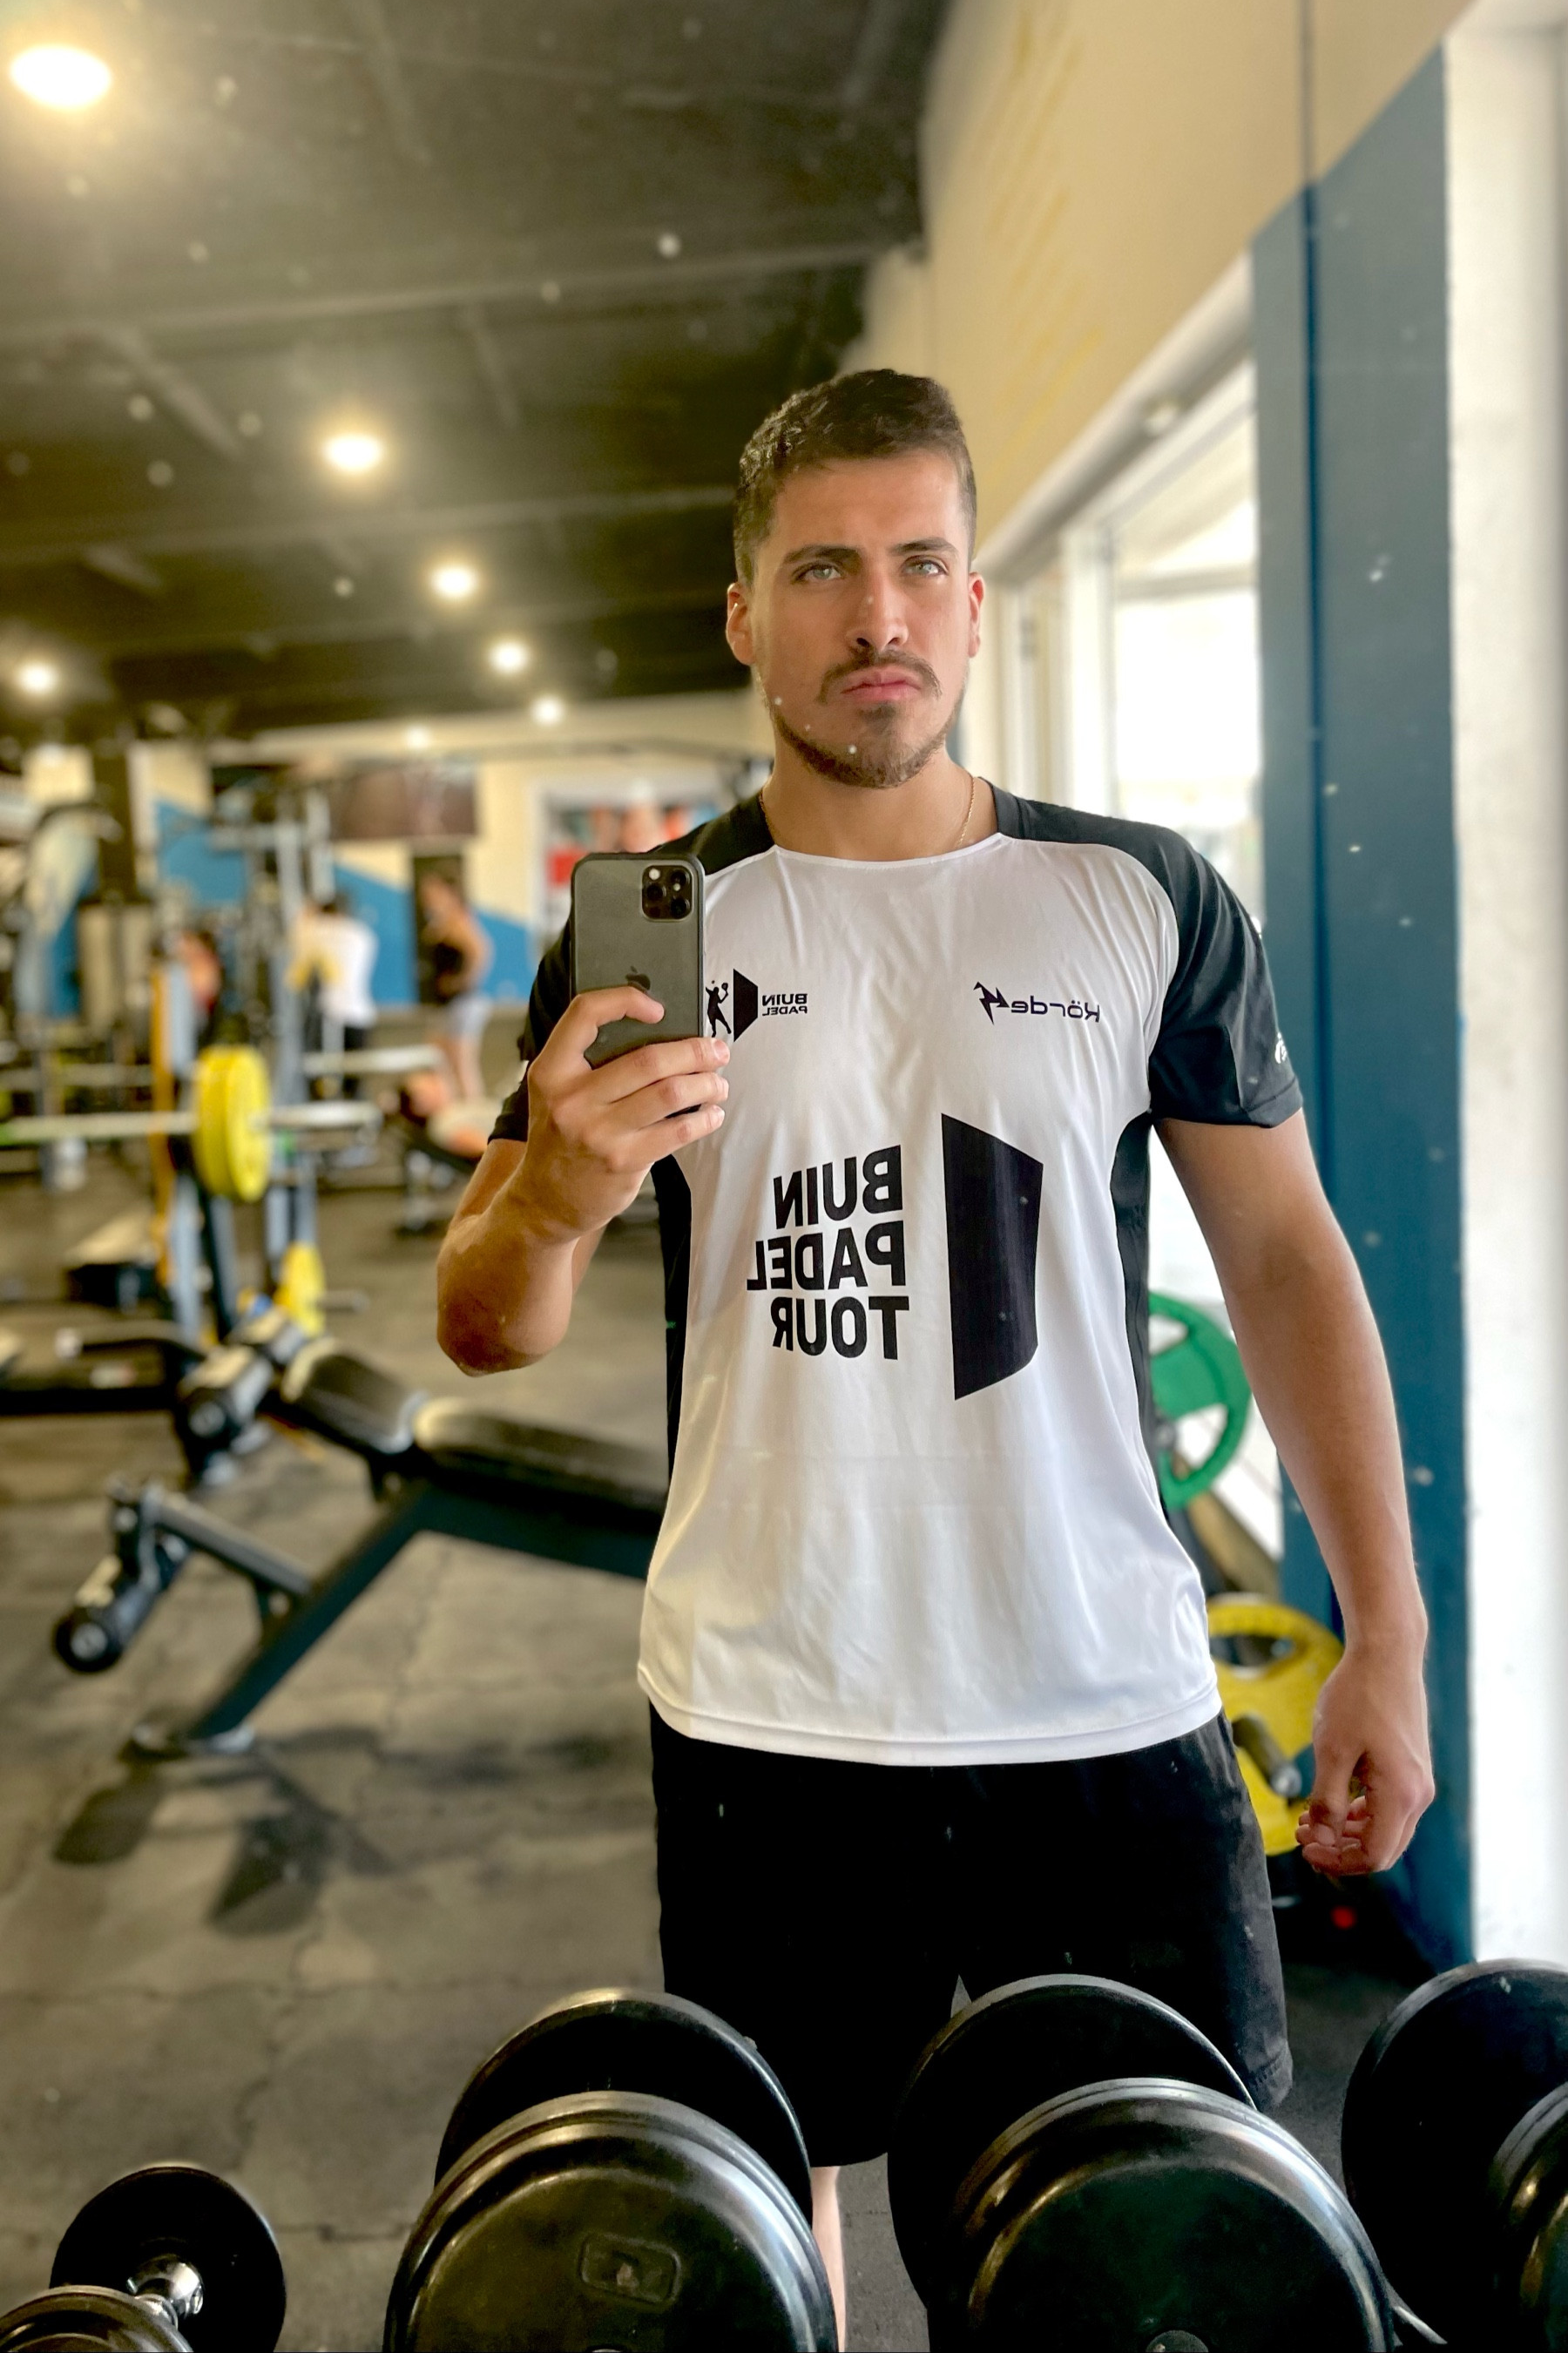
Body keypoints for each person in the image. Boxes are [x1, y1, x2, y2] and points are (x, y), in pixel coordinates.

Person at [434, 369, 1433, 2344]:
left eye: (917, 564)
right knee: (770, 2230)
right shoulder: (653, 929)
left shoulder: (1139, 897)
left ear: (974, 603)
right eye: (821, 568)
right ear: (745, 613)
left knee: (1167, 2241)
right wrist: (554, 1190)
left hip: (1101, 1688)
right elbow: (484, 1315)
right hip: (770, 1697)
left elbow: (1287, 1258)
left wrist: (1384, 1632)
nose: (874, 614)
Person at [289, 890, 379, 1086]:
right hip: (360, 1012)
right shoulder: (362, 934)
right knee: (355, 1076)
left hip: (330, 1014)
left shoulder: (320, 933)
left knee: (318, 1073)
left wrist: (310, 911)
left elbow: (297, 929)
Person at [419, 872, 493, 1101]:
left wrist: (463, 981)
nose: (427, 898)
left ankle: (474, 1114)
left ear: (449, 893)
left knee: (461, 1064)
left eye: (433, 892)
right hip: (445, 1003)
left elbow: (481, 951)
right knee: (441, 1062)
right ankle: (453, 1110)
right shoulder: (441, 922)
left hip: (462, 1002)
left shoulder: (458, 920)